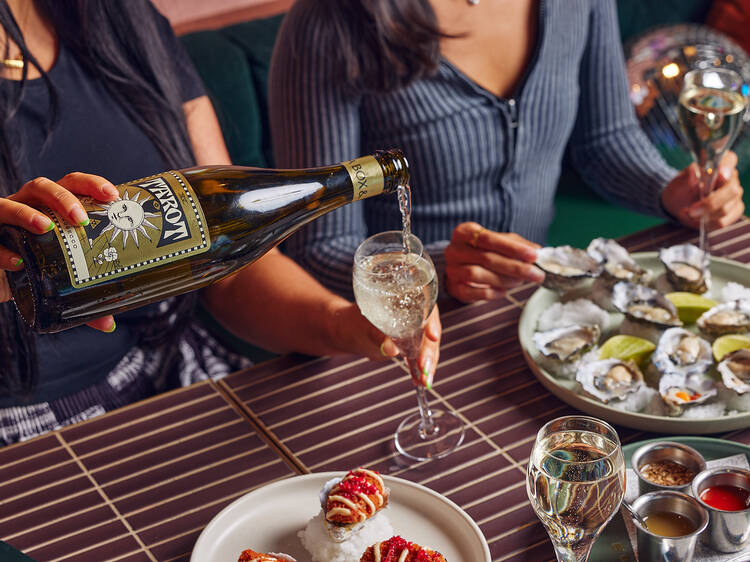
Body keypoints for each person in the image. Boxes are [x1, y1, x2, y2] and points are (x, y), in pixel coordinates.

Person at [0, 0, 440, 446]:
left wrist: (343, 324)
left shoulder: (119, 17)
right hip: (27, 425)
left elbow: (228, 261)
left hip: (163, 369)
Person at [269, 0, 745, 304]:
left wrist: (669, 192)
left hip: (532, 305)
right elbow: (318, 248)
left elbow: (605, 141)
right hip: (399, 329)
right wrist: (436, 267)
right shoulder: (330, 21)